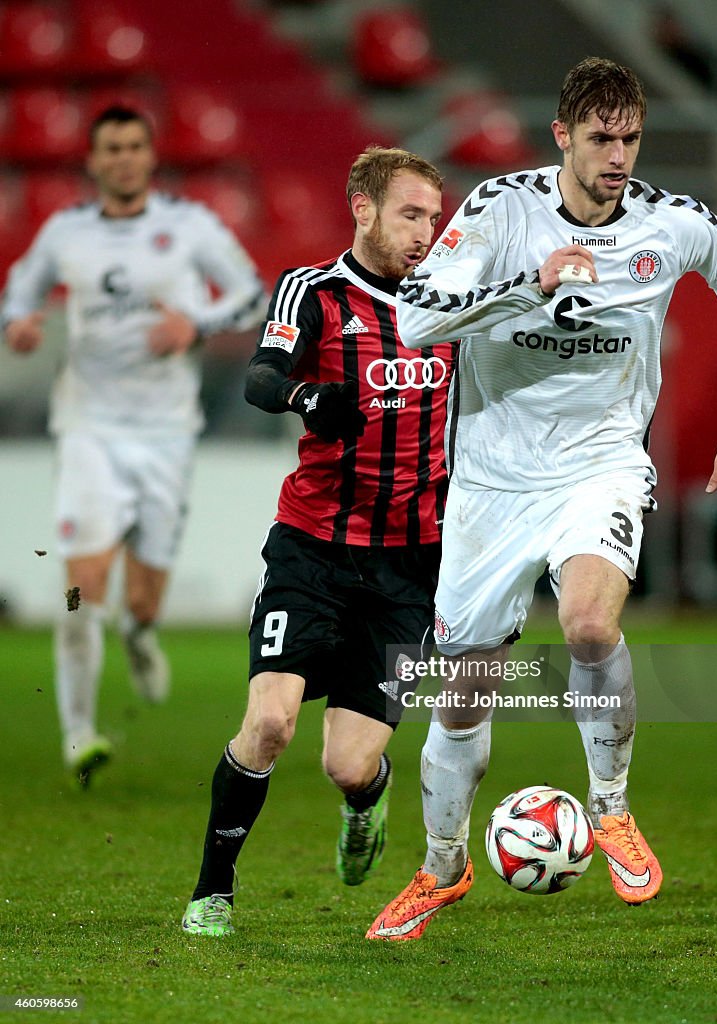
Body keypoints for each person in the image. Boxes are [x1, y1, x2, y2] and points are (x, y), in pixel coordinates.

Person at [366, 56, 717, 941]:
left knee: (590, 624)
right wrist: (529, 285)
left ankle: (611, 808)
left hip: (600, 464)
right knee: (463, 692)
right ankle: (442, 866)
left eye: (630, 136)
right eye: (600, 138)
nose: (618, 154)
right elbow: (415, 318)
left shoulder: (675, 223)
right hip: (491, 478)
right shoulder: (498, 209)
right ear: (562, 135)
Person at [181, 146, 456, 937]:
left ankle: (367, 799)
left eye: (433, 217)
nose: (425, 233)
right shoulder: (315, 291)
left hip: (412, 566)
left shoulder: (450, 300)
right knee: (269, 723)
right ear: (362, 208)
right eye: (410, 213)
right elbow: (261, 377)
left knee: (349, 763)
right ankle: (212, 892)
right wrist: (309, 394)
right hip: (313, 548)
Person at [1, 106, 267, 786]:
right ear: (92, 162)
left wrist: (196, 324)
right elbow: (18, 291)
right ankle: (79, 732)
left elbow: (251, 294)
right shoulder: (66, 231)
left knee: (143, 599)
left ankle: (141, 633)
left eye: (133, 146)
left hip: (166, 434)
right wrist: (20, 322)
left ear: (150, 157)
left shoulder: (188, 226)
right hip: (88, 430)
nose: (122, 158)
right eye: (110, 148)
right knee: (80, 590)